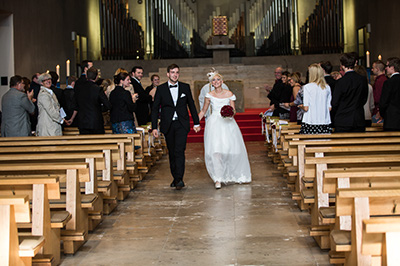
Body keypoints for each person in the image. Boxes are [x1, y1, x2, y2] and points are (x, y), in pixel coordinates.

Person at [198, 72, 251, 189]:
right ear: (211, 83)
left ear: (222, 81)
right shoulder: (209, 95)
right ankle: (218, 178)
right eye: (213, 80)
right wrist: (197, 122)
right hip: (214, 124)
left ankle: (232, 174)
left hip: (227, 123)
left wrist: (229, 112)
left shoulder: (229, 94)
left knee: (230, 150)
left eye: (218, 80)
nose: (216, 82)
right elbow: (203, 111)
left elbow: (234, 110)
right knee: (215, 151)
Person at [151, 64, 200, 190]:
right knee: (172, 152)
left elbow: (192, 105)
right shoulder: (161, 89)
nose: (175, 74)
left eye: (177, 72)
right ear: (168, 74)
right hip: (168, 124)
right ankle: (175, 177)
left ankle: (179, 179)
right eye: (172, 72)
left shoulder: (185, 87)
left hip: (181, 124)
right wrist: (154, 127)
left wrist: (196, 122)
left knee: (179, 151)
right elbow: (155, 109)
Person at [331, 53, 368, 132]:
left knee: (341, 144)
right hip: (358, 119)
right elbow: (364, 99)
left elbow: (335, 102)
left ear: (342, 65)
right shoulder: (362, 80)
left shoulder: (340, 82)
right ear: (355, 63)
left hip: (343, 120)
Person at [74, 67, 111, 134]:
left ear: (86, 76)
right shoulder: (98, 89)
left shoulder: (79, 89)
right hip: (96, 122)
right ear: (96, 77)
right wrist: (99, 109)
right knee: (98, 143)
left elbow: (75, 104)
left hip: (83, 122)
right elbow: (108, 105)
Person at [299, 64, 332, 134]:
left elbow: (306, 108)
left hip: (310, 122)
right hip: (324, 122)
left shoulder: (307, 87)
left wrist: (300, 106)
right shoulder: (327, 87)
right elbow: (329, 108)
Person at [379, 57, 400, 131]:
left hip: (391, 120)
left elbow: (383, 102)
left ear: (392, 67)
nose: (386, 68)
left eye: (387, 66)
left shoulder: (389, 83)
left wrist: (382, 114)